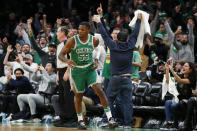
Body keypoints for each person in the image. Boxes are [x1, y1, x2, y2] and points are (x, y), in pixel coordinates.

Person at [58, 21, 118, 130]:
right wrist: (67, 60)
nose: (79, 31)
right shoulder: (72, 41)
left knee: (100, 90)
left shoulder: (94, 40)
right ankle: (80, 120)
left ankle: (110, 118)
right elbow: (60, 55)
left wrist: (95, 59)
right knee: (79, 96)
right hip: (77, 71)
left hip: (90, 69)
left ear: (88, 30)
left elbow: (97, 49)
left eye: (82, 30)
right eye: (79, 29)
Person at [93, 13, 142, 128]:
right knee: (127, 102)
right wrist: (139, 20)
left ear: (117, 39)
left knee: (109, 99)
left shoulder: (113, 45)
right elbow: (136, 33)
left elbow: (104, 34)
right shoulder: (130, 45)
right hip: (127, 78)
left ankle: (109, 120)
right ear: (127, 39)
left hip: (115, 79)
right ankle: (127, 124)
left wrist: (99, 21)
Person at [161, 60, 196, 130]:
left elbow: (180, 80)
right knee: (168, 102)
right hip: (179, 99)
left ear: (190, 69)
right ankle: (169, 123)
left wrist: (172, 70)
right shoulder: (180, 75)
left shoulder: (193, 78)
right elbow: (168, 81)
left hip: (188, 100)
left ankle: (175, 124)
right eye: (183, 66)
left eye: (186, 66)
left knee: (174, 105)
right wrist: (167, 69)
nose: (183, 67)